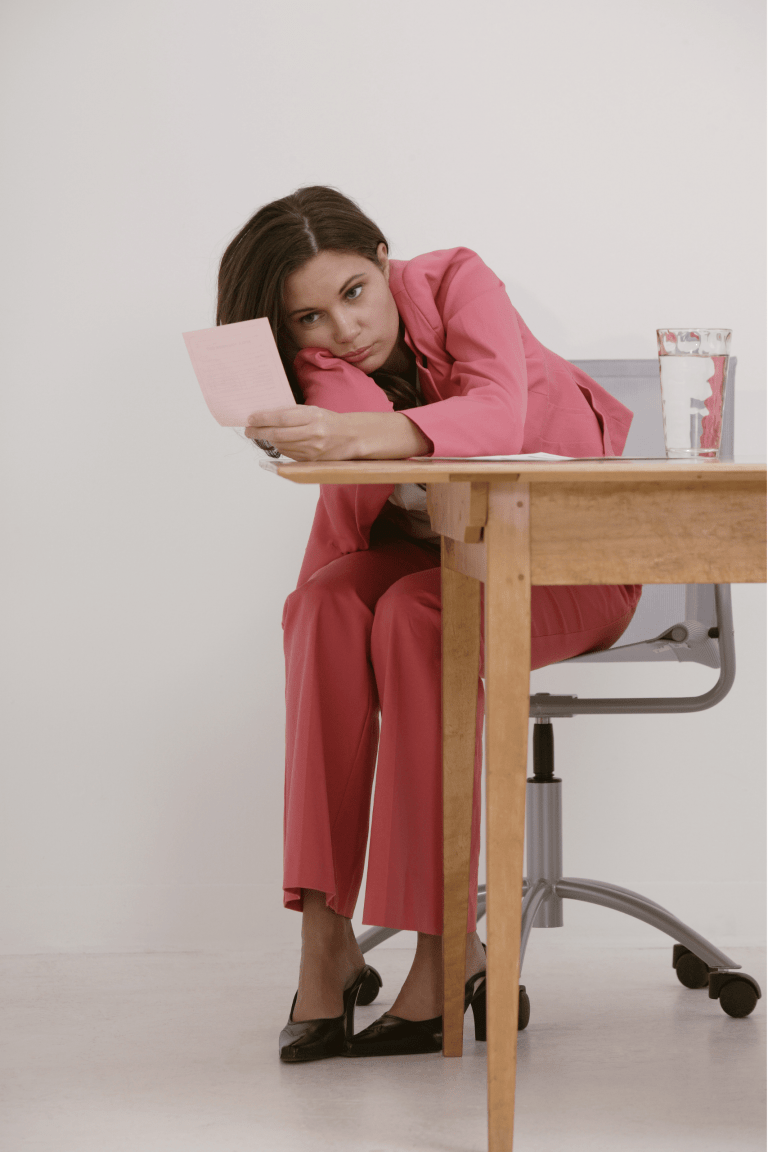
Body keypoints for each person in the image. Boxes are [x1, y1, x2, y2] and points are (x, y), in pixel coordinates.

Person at [216, 185, 642, 1062]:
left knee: (416, 612)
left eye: (353, 293)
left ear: (380, 255)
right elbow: (342, 527)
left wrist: (354, 434)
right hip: (442, 567)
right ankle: (323, 942)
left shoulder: (458, 281)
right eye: (308, 318)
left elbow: (498, 415)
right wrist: (314, 622)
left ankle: (446, 953)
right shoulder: (326, 369)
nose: (344, 331)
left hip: (573, 565)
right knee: (329, 607)